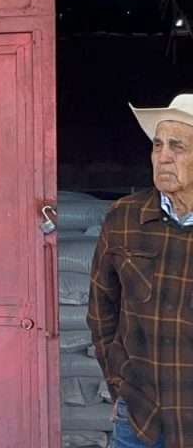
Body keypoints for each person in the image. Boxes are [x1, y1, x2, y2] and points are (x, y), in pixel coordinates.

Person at [88, 94, 193, 448]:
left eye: (177, 147)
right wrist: (120, 384)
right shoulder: (124, 218)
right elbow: (101, 309)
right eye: (157, 145)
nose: (163, 157)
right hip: (140, 418)